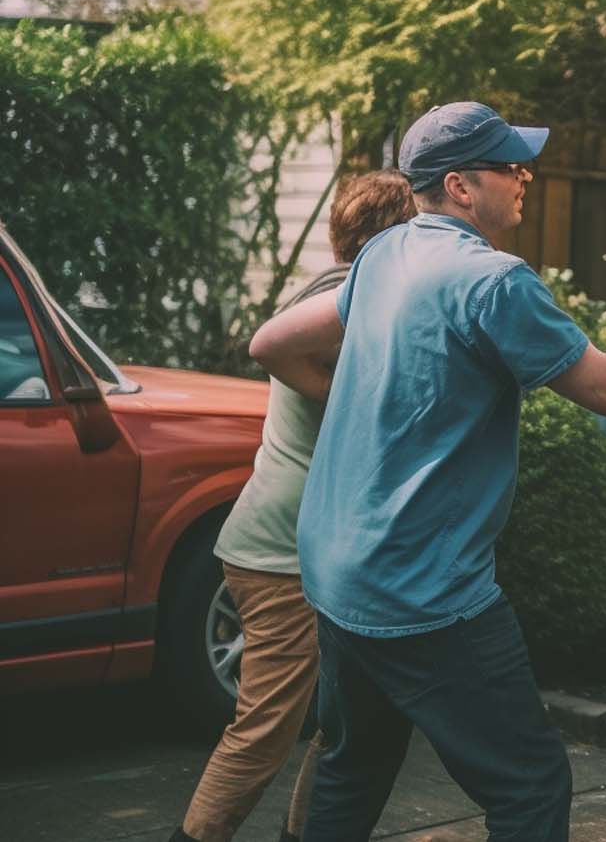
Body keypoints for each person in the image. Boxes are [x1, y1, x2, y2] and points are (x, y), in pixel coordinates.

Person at [249, 101, 606, 842]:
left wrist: (377, 401)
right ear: (460, 185)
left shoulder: (385, 255)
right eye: (508, 163)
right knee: (530, 787)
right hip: (421, 590)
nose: (525, 174)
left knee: (353, 765)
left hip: (336, 570)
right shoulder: (494, 282)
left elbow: (273, 344)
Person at [173, 171, 417, 842]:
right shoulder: (347, 307)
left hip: (305, 542)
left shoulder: (324, 293)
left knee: (343, 723)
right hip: (283, 548)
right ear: (392, 238)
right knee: (263, 731)